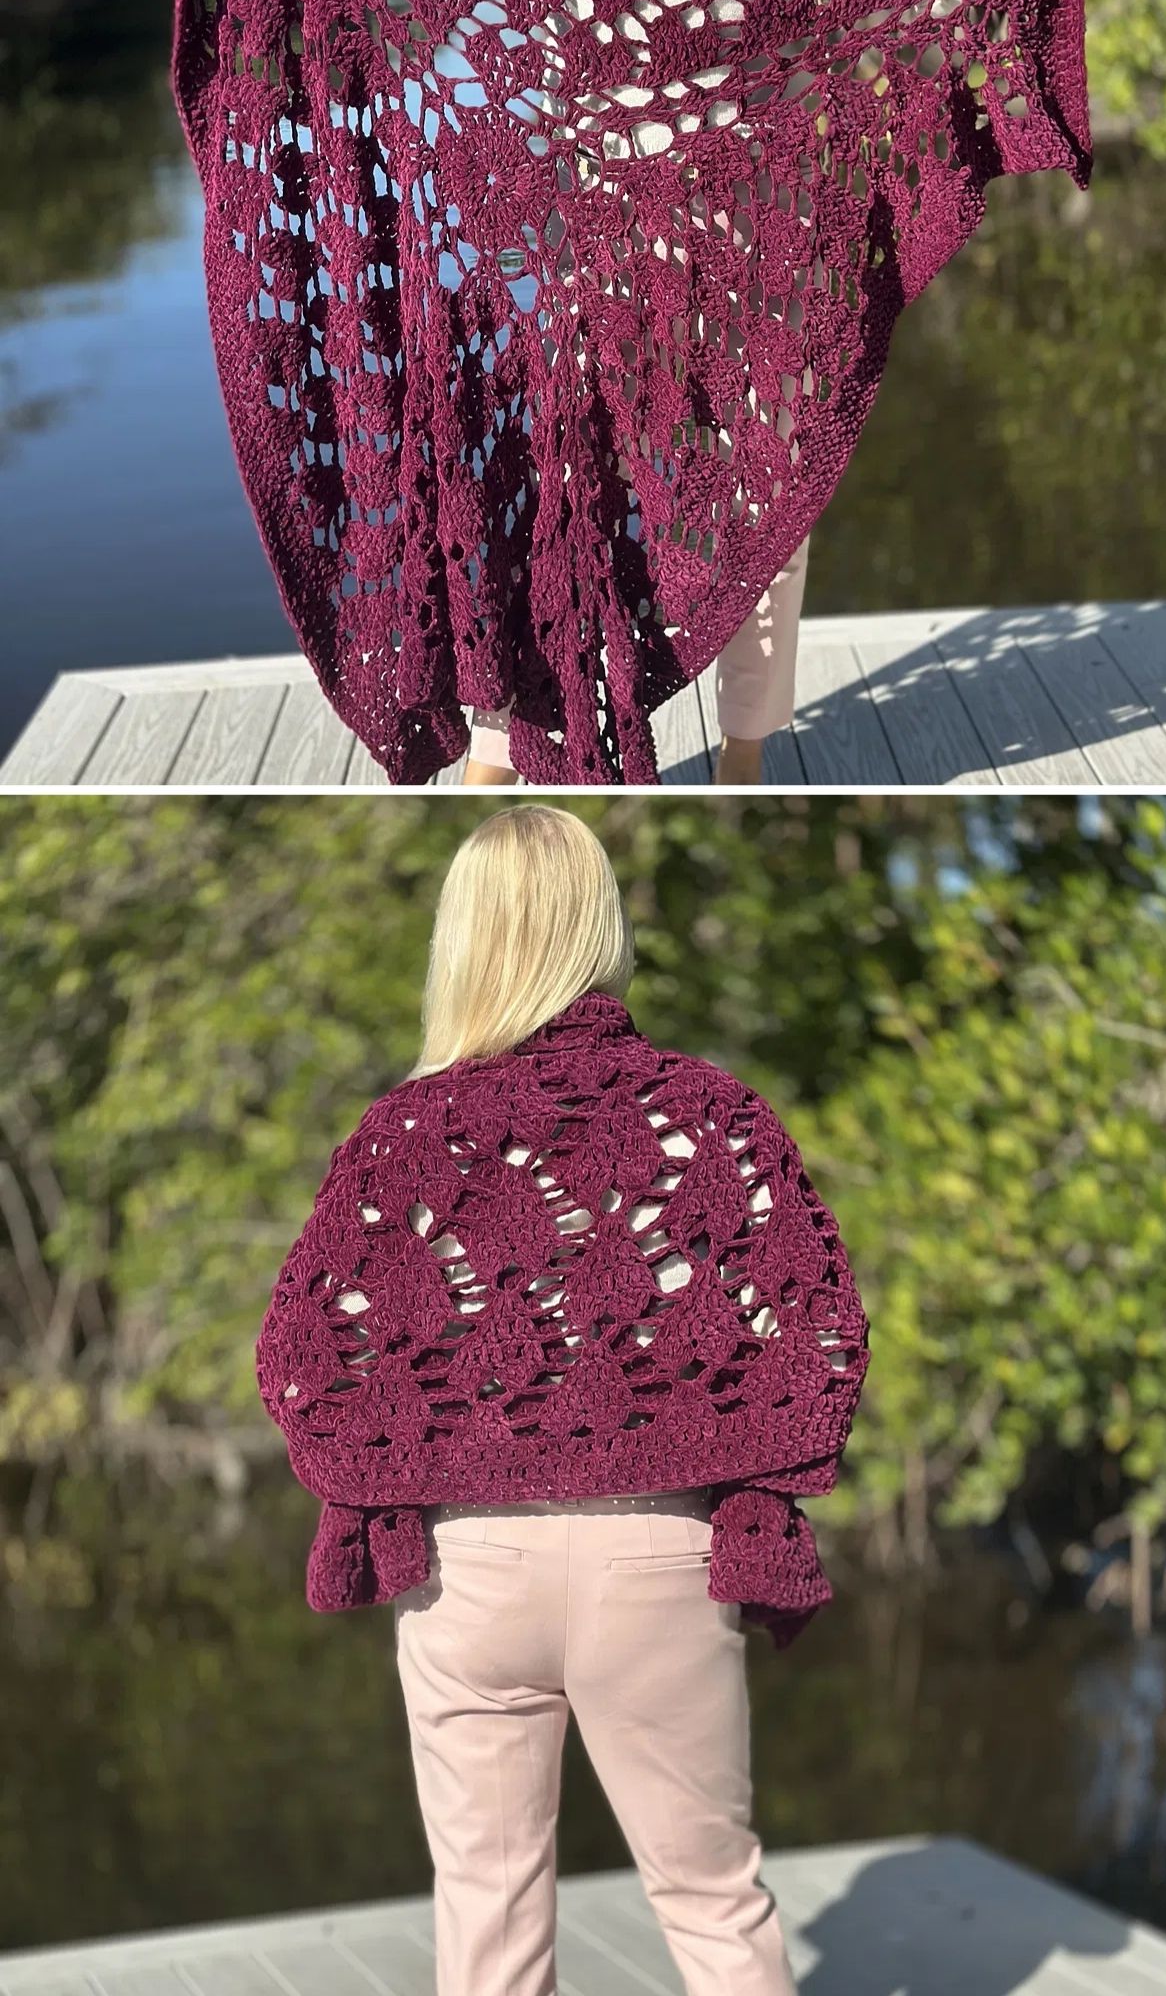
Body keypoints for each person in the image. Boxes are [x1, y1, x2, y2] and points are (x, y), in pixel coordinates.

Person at [105, 0, 1096, 792]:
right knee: (533, 489)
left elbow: (896, 14)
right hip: (575, 255)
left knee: (763, 524)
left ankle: (744, 765)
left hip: (737, 251)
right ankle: (496, 743)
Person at [255, 804, 871, 1996]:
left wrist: (396, 1463)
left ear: (464, 943)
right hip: (662, 1556)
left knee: (485, 1923)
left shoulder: (404, 1138)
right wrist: (737, 1455)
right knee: (714, 1903)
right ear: (602, 928)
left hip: (466, 1572)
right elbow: (817, 1329)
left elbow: (301, 1353)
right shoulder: (711, 1119)